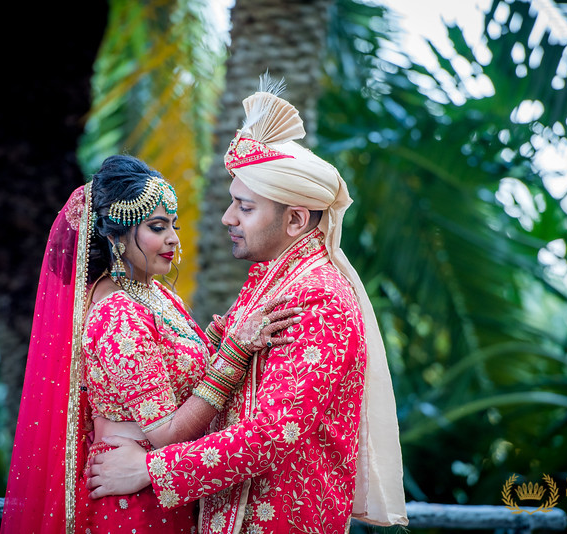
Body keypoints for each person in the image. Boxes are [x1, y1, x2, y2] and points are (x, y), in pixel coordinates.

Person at [86, 77, 409, 533]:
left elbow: (275, 431)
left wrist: (149, 471)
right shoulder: (269, 281)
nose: (227, 218)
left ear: (295, 220)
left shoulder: (320, 297)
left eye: (245, 207)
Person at [0, 154, 301, 534]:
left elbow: (172, 369)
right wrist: (234, 353)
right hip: (132, 500)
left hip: (161, 486)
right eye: (157, 227)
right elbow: (165, 432)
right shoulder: (117, 314)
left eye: (173, 225)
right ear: (114, 236)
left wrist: (224, 337)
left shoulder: (153, 293)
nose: (173, 238)